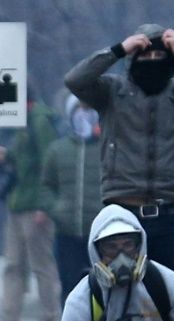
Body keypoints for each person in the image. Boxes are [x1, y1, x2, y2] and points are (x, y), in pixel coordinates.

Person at [64, 24, 174, 282]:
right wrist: (118, 50)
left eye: (159, 56)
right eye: (145, 56)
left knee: (171, 298)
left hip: (170, 213)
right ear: (133, 59)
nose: (152, 62)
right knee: (120, 296)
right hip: (122, 213)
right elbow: (75, 80)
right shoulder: (112, 92)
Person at [0, 93, 62, 321]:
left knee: (41, 266)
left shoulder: (39, 122)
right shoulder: (23, 122)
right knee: (13, 265)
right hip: (18, 202)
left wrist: (44, 204)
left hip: (34, 206)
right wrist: (5, 156)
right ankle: (10, 319)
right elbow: (25, 159)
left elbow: (48, 164)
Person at [41, 95, 103, 305]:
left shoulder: (107, 149)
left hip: (99, 234)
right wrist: (56, 210)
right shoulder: (57, 150)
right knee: (69, 285)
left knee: (101, 285)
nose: (84, 115)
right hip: (66, 232)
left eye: (89, 109)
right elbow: (46, 186)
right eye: (79, 109)